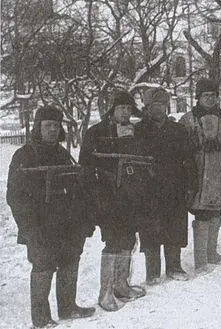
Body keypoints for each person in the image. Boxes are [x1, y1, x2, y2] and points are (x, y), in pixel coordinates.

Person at [7, 106, 95, 328]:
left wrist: (82, 219)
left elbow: (76, 187)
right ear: (38, 128)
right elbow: (15, 196)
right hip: (40, 223)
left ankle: (67, 307)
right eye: (48, 126)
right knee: (43, 265)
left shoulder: (62, 154)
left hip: (66, 222)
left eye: (56, 126)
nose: (53, 130)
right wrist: (28, 227)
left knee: (70, 260)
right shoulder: (24, 155)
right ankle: (41, 318)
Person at [79, 90, 147, 311]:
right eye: (121, 108)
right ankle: (105, 292)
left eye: (128, 108)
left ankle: (121, 284)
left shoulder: (135, 132)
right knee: (114, 240)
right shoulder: (96, 133)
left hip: (131, 193)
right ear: (112, 110)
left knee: (128, 238)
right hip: (107, 195)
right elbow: (86, 167)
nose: (125, 112)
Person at [135, 87, 197, 284]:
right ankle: (152, 272)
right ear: (147, 108)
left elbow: (188, 159)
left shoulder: (177, 130)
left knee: (174, 227)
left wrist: (190, 186)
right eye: (154, 106)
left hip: (174, 187)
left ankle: (174, 266)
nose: (158, 109)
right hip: (148, 189)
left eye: (162, 105)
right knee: (151, 230)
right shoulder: (138, 130)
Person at [179, 78, 221, 274]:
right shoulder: (187, 119)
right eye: (205, 96)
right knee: (201, 213)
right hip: (198, 171)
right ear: (198, 98)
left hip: (219, 171)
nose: (210, 99)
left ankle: (212, 253)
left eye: (213, 95)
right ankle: (200, 260)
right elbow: (181, 149)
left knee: (217, 211)